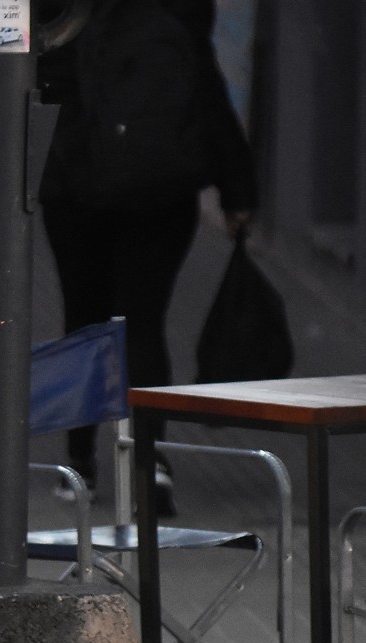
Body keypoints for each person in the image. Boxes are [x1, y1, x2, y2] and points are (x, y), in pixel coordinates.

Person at [37, 0, 256, 513]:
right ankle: (150, 463)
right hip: (160, 191)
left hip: (75, 188)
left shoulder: (63, 13)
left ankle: (80, 465)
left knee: (83, 319)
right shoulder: (176, 9)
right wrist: (237, 189)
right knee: (143, 323)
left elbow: (36, 78)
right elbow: (205, 90)